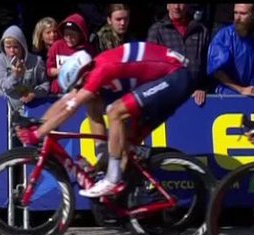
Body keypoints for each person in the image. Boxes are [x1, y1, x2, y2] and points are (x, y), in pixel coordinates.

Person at [17, 41, 196, 198]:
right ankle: (113, 168)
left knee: (115, 112)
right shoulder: (89, 70)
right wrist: (39, 123)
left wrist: (38, 134)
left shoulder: (100, 71)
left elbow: (70, 108)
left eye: (79, 85)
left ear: (84, 75)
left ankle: (112, 179)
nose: (79, 89)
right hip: (161, 78)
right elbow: (66, 100)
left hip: (176, 75)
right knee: (118, 135)